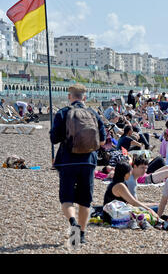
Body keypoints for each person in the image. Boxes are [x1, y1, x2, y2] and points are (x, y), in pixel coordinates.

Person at [50, 83, 106, 245]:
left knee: (67, 198)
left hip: (67, 161)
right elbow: (102, 142)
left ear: (70, 96)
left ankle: (72, 222)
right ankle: (80, 235)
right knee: (85, 200)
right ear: (85, 97)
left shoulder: (63, 113)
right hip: (88, 161)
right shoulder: (93, 114)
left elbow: (54, 139)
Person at [103, 161, 159, 228]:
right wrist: (149, 209)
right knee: (155, 209)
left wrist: (150, 206)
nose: (131, 174)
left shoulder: (116, 182)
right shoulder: (120, 186)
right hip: (114, 216)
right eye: (130, 172)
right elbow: (133, 202)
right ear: (125, 173)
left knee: (155, 206)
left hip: (113, 213)